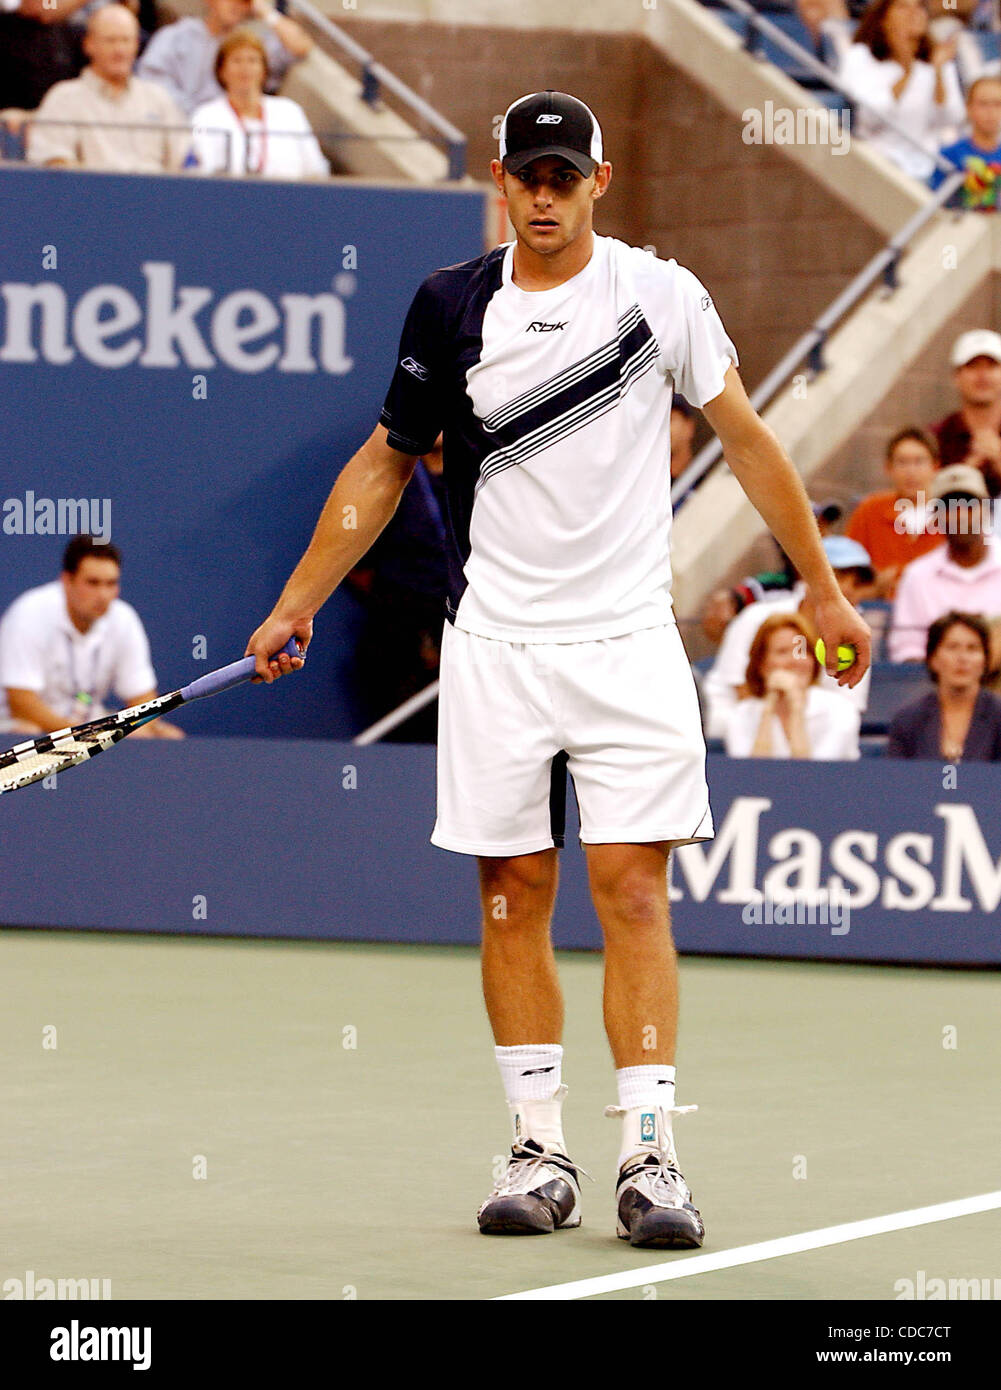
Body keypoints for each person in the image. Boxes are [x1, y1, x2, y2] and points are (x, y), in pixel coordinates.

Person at [243, 90, 870, 1250]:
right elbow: (386, 464)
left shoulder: (660, 295)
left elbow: (744, 437)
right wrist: (297, 602)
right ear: (497, 178)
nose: (542, 195)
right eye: (524, 176)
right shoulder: (448, 305)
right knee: (509, 894)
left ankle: (649, 1155)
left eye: (561, 176)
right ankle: (537, 1147)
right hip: (495, 645)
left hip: (627, 640)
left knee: (632, 891)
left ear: (600, 181)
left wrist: (821, 588)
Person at [0, 535, 183, 738]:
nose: (103, 595)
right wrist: (81, 736)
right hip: (27, 728)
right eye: (93, 583)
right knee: (27, 729)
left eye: (110, 583)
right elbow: (21, 703)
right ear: (67, 581)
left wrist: (136, 728)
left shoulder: (124, 618)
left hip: (87, 727)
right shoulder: (29, 614)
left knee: (165, 734)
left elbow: (142, 698)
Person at [704, 535, 875, 739]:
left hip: (809, 732)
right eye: (838, 578)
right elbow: (742, 690)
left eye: (857, 583)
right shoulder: (756, 616)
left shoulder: (855, 638)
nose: (847, 589)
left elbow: (848, 708)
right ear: (806, 577)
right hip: (736, 722)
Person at [347, 434, 446, 743]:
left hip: (469, 622)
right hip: (399, 623)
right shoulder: (384, 476)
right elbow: (355, 560)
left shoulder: (487, 474)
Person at [26, 3, 189, 173]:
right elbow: (53, 162)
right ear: (88, 45)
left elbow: (184, 162)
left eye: (126, 40)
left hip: (156, 196)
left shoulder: (158, 99)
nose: (119, 50)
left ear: (136, 45)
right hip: (88, 196)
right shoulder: (64, 98)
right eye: (110, 40)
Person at [839, 0, 965, 181]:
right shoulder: (860, 57)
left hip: (926, 169)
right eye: (903, 7)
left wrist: (938, 74)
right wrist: (906, 73)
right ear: (883, 19)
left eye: (920, 7)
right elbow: (868, 119)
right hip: (876, 167)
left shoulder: (937, 62)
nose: (913, 14)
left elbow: (951, 119)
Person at [890, 464, 1001, 659]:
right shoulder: (918, 575)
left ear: (985, 509)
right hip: (936, 684)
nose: (960, 515)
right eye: (949, 506)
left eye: (969, 504)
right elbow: (906, 650)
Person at [137, 0, 311, 119]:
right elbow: (152, 84)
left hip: (236, 132)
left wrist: (264, 11)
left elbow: (300, 46)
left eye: (242, 1)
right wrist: (201, 116)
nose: (236, 5)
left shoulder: (252, 43)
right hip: (182, 129)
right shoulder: (176, 36)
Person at [191, 29, 328, 179]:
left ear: (264, 70)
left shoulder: (289, 112)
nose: (245, 68)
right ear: (221, 70)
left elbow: (316, 170)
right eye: (237, 60)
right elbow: (197, 172)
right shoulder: (205, 117)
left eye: (252, 60)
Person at [725, 612, 861, 759]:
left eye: (802, 651)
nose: (795, 661)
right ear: (761, 665)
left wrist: (796, 710)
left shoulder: (840, 711)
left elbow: (812, 776)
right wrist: (769, 708)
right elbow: (751, 775)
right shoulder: (741, 715)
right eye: (782, 652)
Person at [845, 426, 943, 597]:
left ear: (935, 467)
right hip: (880, 612)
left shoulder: (951, 514)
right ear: (888, 468)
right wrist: (876, 590)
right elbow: (845, 580)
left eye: (919, 462)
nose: (910, 472)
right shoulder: (869, 511)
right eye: (902, 462)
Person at [888, 610, 1001, 757]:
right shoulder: (908, 720)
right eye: (952, 647)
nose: (962, 658)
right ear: (933, 659)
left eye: (972, 648)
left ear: (985, 660)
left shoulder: (998, 716)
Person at [930, 329, 1001, 493]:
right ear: (956, 377)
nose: (983, 376)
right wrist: (967, 470)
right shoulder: (937, 437)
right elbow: (921, 501)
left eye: (991, 367)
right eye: (973, 366)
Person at [929, 75, 1001, 208]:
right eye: (983, 104)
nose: (991, 112)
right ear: (969, 108)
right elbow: (936, 205)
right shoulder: (949, 155)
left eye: (997, 104)